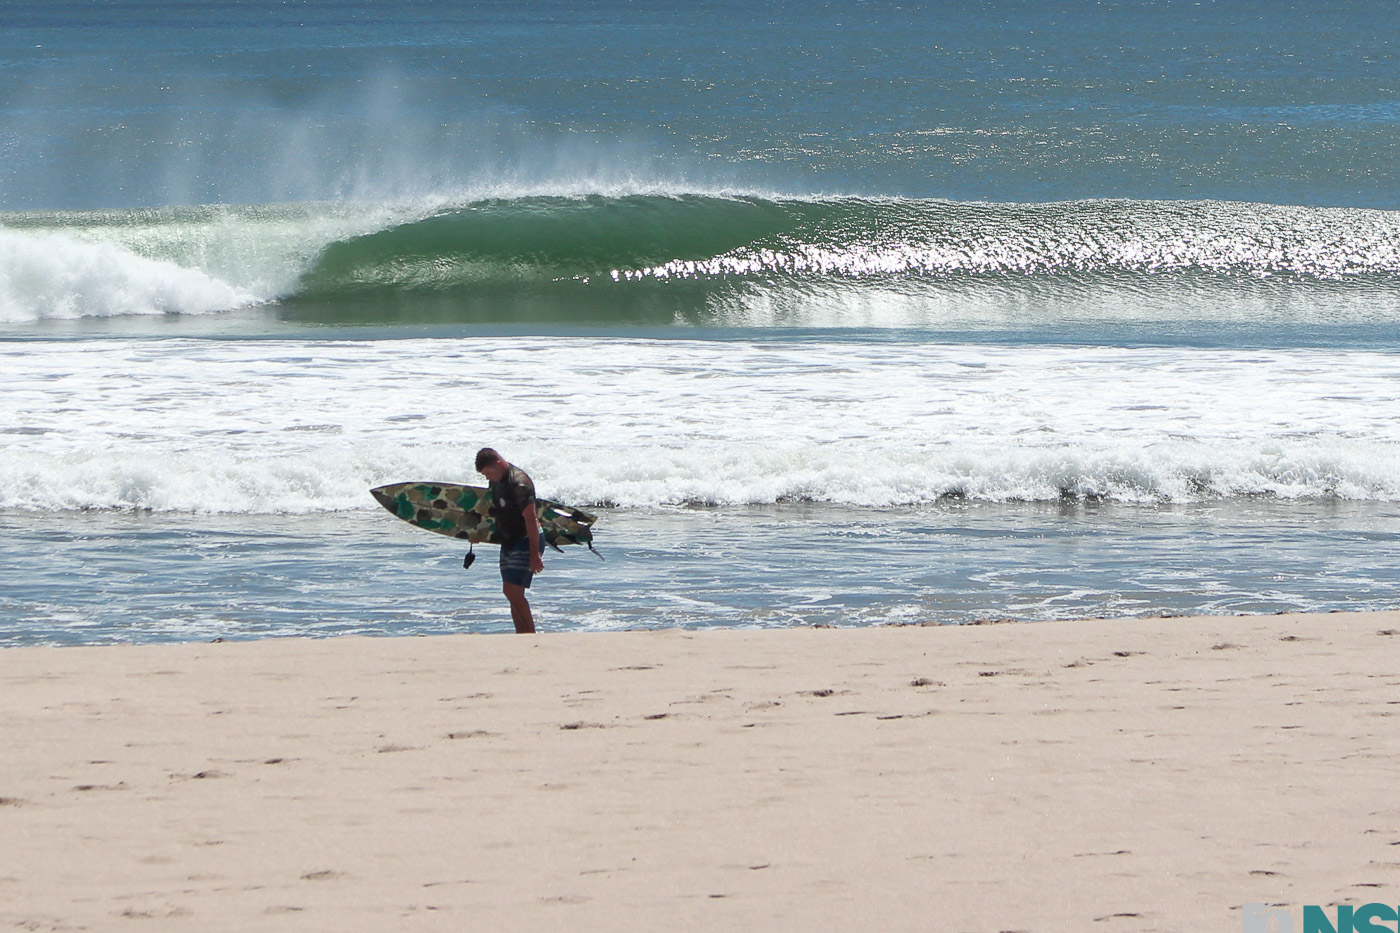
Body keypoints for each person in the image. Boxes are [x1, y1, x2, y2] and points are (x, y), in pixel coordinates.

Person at [475, 448, 545, 634]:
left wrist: (534, 554)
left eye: (489, 473)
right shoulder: (496, 481)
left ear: (499, 463)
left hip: (526, 538)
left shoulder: (519, 484)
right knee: (512, 593)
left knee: (511, 591)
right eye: (485, 475)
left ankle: (530, 634)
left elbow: (531, 519)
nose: (489, 478)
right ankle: (521, 634)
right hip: (509, 540)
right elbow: (493, 510)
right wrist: (478, 533)